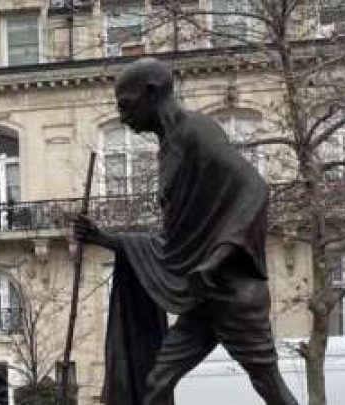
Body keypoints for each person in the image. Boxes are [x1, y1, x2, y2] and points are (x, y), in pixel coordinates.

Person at [74, 58, 298, 405]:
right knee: (157, 383)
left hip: (232, 294)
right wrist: (104, 239)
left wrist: (215, 261)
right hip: (200, 298)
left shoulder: (196, 130)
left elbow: (254, 189)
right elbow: (177, 241)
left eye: (126, 105)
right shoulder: (169, 146)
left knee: (267, 382)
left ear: (151, 93)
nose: (123, 117)